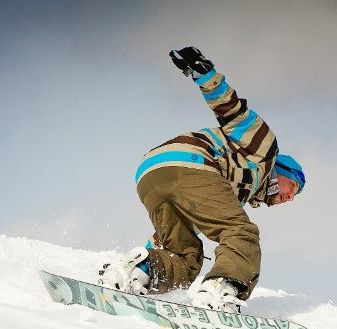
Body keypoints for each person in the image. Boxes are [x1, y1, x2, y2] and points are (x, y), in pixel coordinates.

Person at [99, 46, 306, 313]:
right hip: (193, 163)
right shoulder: (265, 150)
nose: (289, 197)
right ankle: (220, 290)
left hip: (150, 173)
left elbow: (181, 228)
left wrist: (155, 248)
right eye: (292, 188)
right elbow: (234, 113)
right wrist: (204, 74)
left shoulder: (233, 193)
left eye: (294, 196)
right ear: (282, 171)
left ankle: (133, 272)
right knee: (241, 232)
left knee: (184, 258)